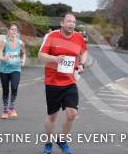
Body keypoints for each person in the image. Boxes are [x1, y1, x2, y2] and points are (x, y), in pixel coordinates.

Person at [38, 13, 87, 154]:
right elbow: (41, 56)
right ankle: (48, 143)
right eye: (69, 21)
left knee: (72, 113)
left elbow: (84, 52)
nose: (71, 24)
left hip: (70, 81)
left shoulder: (78, 37)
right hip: (52, 82)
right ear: (62, 23)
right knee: (52, 116)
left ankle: (62, 140)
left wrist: (82, 64)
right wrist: (55, 58)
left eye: (74, 22)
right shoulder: (52, 36)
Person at [0, 24, 26, 119]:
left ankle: (11, 106)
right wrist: (3, 58)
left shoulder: (20, 43)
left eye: (15, 29)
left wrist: (23, 60)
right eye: (12, 29)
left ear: (17, 32)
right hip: (4, 70)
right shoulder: (4, 42)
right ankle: (5, 110)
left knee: (14, 87)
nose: (14, 31)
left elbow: (24, 53)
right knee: (5, 90)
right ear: (9, 31)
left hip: (16, 69)